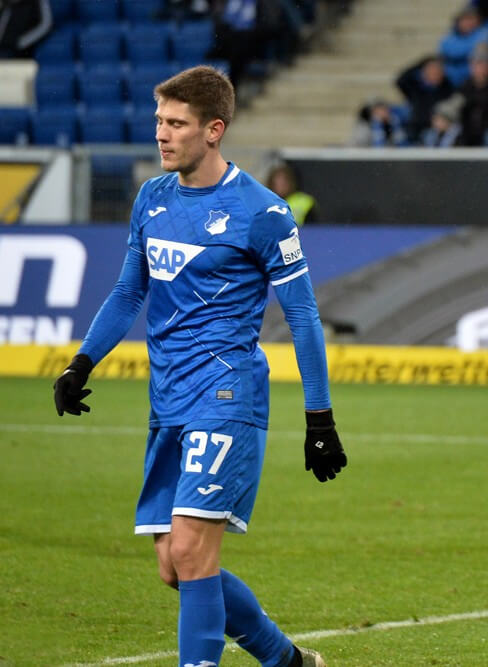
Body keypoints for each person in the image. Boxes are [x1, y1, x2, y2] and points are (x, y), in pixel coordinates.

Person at [51, 66, 344, 667]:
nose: (161, 134)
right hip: (169, 398)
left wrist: (319, 418)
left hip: (227, 393)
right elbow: (129, 293)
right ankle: (287, 661)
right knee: (173, 566)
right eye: (159, 120)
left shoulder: (262, 213)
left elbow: (305, 318)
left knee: (189, 550)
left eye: (176, 124)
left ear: (213, 130)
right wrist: (81, 362)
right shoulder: (151, 198)